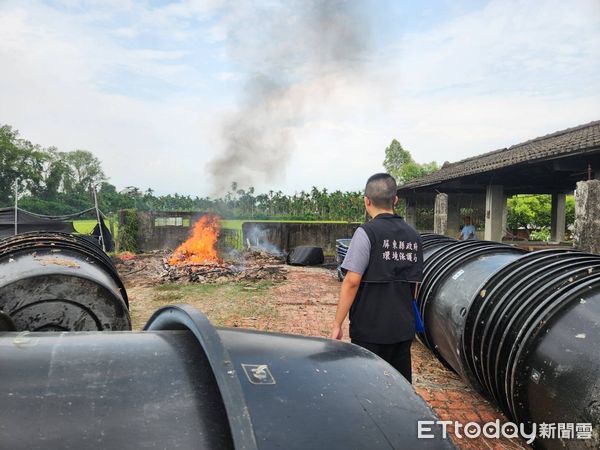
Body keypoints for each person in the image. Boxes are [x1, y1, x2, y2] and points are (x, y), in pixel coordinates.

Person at [331, 173, 423, 383]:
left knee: (368, 385)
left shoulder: (366, 233)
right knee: (398, 385)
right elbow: (414, 285)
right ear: (395, 200)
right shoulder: (414, 236)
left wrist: (338, 322)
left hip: (369, 329)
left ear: (367, 201)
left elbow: (352, 281)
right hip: (402, 328)